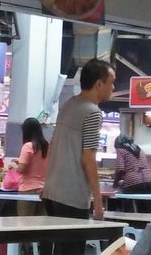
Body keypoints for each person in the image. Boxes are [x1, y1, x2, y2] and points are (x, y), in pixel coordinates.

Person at [42, 59, 115, 220]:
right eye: (111, 82)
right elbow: (88, 158)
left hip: (50, 192)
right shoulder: (93, 112)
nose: (113, 87)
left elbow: (53, 146)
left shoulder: (69, 105)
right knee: (72, 246)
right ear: (99, 84)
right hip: (71, 196)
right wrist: (97, 200)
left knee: (55, 244)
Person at [14, 116, 49, 215]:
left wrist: (13, 165)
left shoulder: (28, 146)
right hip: (43, 191)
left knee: (25, 224)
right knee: (40, 224)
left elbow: (21, 169)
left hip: (27, 191)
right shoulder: (46, 145)